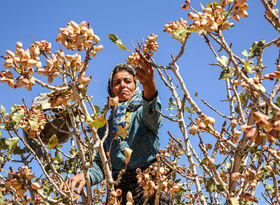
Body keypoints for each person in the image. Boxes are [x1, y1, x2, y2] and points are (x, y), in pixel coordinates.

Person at [61, 59, 172, 204]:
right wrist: (85, 175)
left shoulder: (141, 113)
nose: (123, 85)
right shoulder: (104, 128)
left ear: (135, 86)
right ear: (111, 89)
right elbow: (100, 164)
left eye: (128, 81)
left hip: (150, 182)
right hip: (118, 189)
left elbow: (153, 115)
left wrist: (150, 86)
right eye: (117, 83)